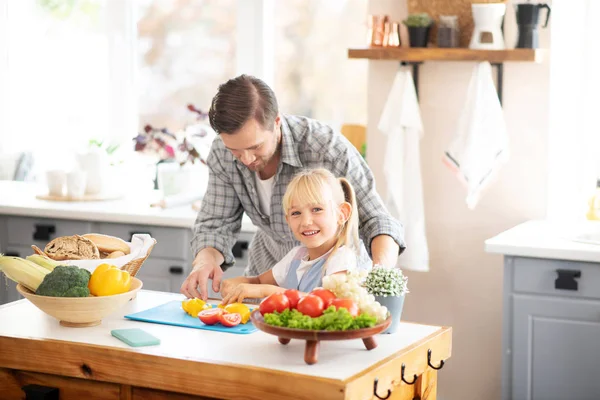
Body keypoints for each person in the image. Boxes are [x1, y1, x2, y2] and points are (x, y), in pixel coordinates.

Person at [181, 74, 405, 300]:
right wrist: (204, 262)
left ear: (276, 122)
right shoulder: (221, 151)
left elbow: (376, 220)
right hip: (270, 271)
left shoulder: (325, 147)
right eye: (235, 151)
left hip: (335, 286)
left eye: (255, 147)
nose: (246, 159)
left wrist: (380, 275)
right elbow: (215, 225)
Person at [220, 168, 360, 304]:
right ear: (288, 220)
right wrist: (237, 283)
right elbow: (258, 281)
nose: (305, 222)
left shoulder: (342, 258)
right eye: (296, 213)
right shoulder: (296, 256)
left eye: (317, 209)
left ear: (342, 214)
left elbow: (328, 302)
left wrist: (265, 291)